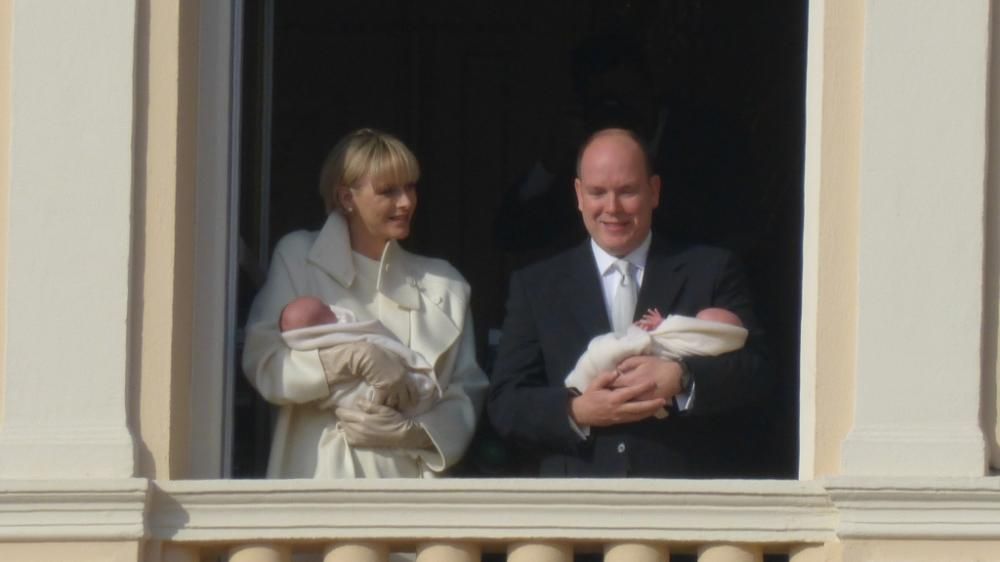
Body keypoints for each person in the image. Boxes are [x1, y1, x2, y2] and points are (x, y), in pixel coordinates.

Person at [487, 128, 768, 477]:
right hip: (577, 497)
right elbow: (505, 403)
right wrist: (577, 411)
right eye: (597, 192)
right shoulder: (536, 284)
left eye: (627, 191)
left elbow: (756, 372)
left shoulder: (711, 269)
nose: (612, 208)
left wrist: (682, 377)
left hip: (682, 494)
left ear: (654, 191)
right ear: (578, 195)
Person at [243, 128, 487, 479]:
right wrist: (346, 359)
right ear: (347, 197)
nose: (406, 202)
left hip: (407, 488)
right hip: (317, 481)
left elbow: (465, 394)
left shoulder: (445, 284)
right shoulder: (298, 257)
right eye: (388, 191)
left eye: (410, 187)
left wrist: (415, 434)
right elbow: (264, 362)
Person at [564, 307, 748, 420]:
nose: (693, 321)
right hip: (584, 458)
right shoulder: (548, 275)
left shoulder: (716, 268)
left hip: (677, 457)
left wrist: (682, 375)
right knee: (601, 355)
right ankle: (578, 385)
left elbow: (751, 369)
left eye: (698, 322)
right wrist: (577, 410)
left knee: (606, 351)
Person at [279, 296, 441, 417]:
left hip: (424, 425)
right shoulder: (294, 265)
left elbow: (454, 398)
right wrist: (350, 357)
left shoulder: (449, 288)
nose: (331, 309)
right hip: (335, 434)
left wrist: (422, 435)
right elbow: (276, 368)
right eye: (324, 311)